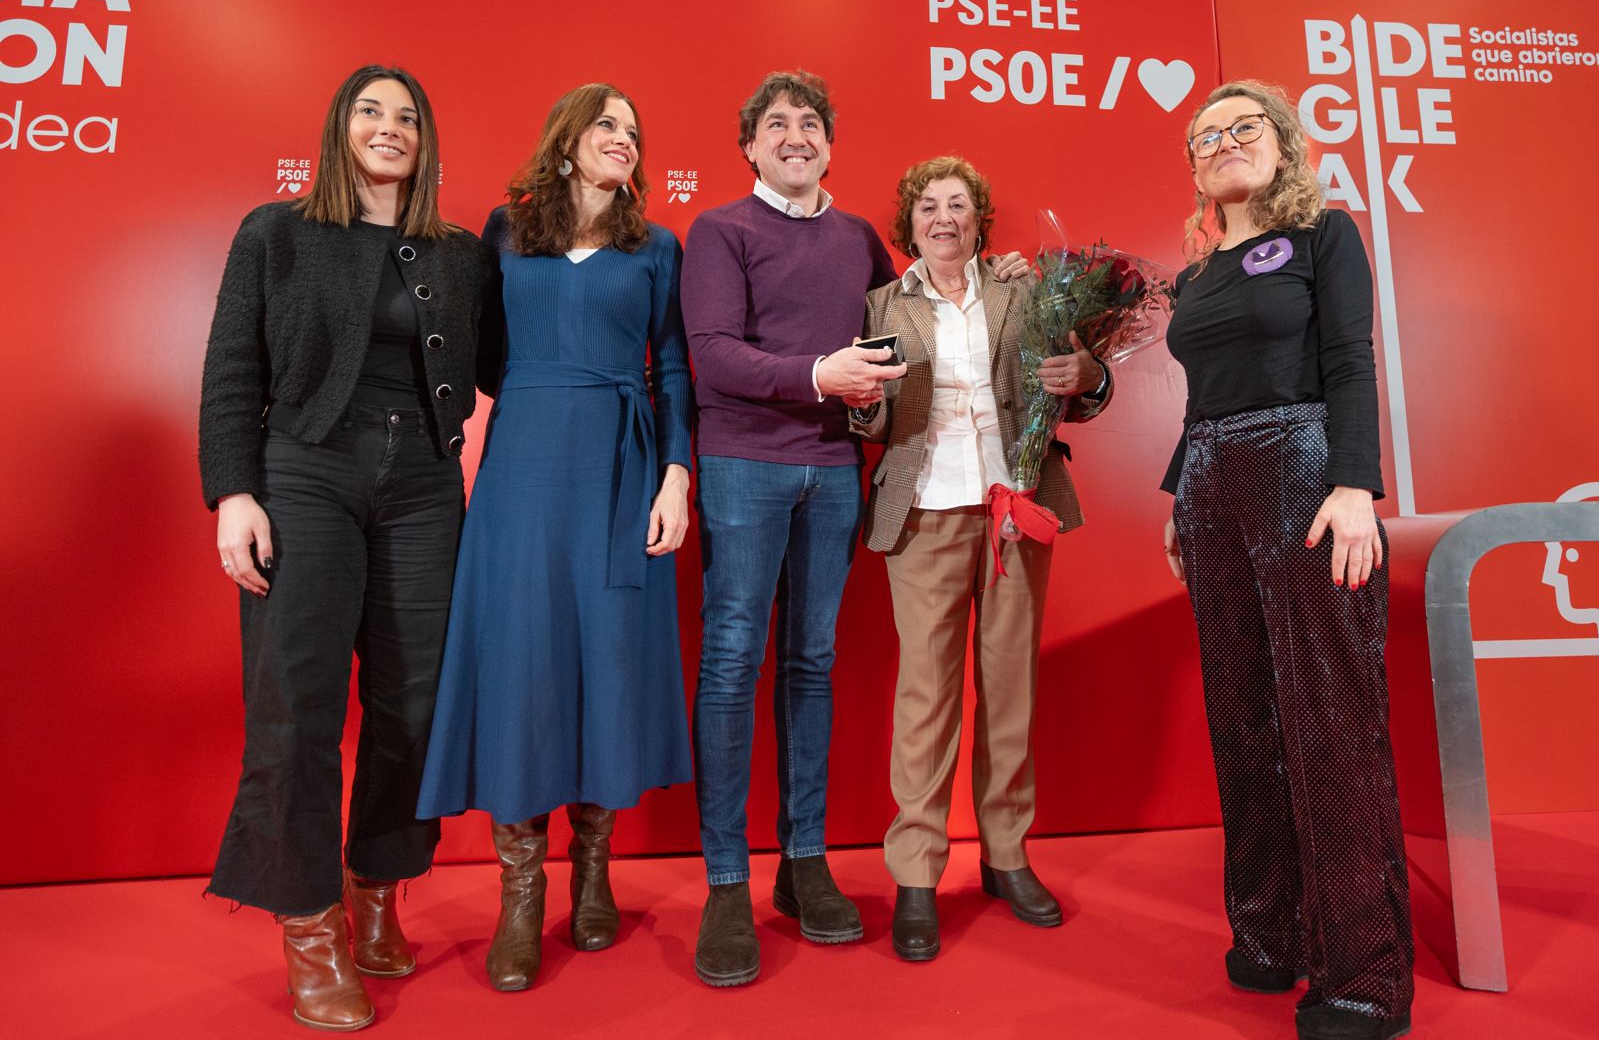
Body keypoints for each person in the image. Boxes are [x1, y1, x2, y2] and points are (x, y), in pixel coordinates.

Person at [681, 71, 1028, 987]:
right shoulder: (719, 230)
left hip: (837, 472)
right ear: (750, 145)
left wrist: (1001, 276)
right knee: (730, 662)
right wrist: (816, 376)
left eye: (811, 125)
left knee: (811, 664)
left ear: (831, 146)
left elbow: (917, 309)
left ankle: (803, 862)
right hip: (746, 465)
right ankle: (726, 881)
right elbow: (710, 355)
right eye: (777, 125)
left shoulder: (858, 239)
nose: (796, 137)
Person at [199, 64, 492, 1031]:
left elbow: (507, 362)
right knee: (297, 702)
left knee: (413, 702)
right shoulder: (275, 232)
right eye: (371, 111)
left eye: (408, 115)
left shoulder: (453, 250)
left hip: (421, 488)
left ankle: (378, 891)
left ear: (426, 140)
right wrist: (235, 491)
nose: (390, 127)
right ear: (339, 128)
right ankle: (310, 926)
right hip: (305, 472)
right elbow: (234, 366)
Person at [414, 83, 694, 994]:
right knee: (525, 660)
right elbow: (483, 352)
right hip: (524, 465)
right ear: (566, 139)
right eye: (607, 123)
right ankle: (522, 894)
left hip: (620, 467)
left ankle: (596, 867)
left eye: (634, 130)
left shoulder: (656, 247)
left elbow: (676, 370)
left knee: (605, 658)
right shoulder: (505, 228)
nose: (624, 137)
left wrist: (676, 475)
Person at [1159, 80, 1413, 1040]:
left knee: (1326, 714)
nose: (1225, 142)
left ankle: (1363, 975)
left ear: (1283, 144)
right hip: (1214, 486)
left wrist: (1355, 485)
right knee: (1240, 711)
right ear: (1194, 166)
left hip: (1305, 470)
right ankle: (1269, 933)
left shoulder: (1324, 236)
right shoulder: (1192, 276)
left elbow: (1351, 359)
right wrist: (1181, 494)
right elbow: (1201, 401)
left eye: (1244, 127)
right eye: (1206, 135)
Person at [849, 156, 1110, 963]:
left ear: (977, 219)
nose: (944, 217)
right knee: (925, 700)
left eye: (959, 204)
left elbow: (1088, 389)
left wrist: (1088, 372)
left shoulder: (1022, 292)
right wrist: (864, 405)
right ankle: (918, 875)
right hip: (922, 515)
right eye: (929, 205)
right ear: (910, 221)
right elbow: (873, 425)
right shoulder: (881, 305)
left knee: (1009, 692)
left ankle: (1006, 857)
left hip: (1015, 511)